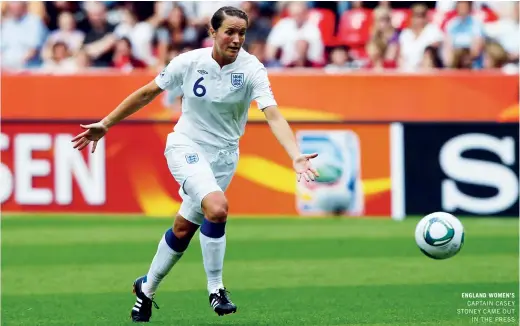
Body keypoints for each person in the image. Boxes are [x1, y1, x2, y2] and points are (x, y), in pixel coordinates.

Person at [71, 6, 320, 323]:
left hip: (224, 157)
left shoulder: (252, 68)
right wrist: (106, 123)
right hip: (186, 146)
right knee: (217, 207)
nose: (236, 38)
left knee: (184, 228)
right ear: (213, 32)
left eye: (242, 32)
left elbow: (272, 113)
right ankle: (216, 289)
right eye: (229, 31)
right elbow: (148, 92)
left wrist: (294, 154)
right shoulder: (189, 62)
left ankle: (145, 290)